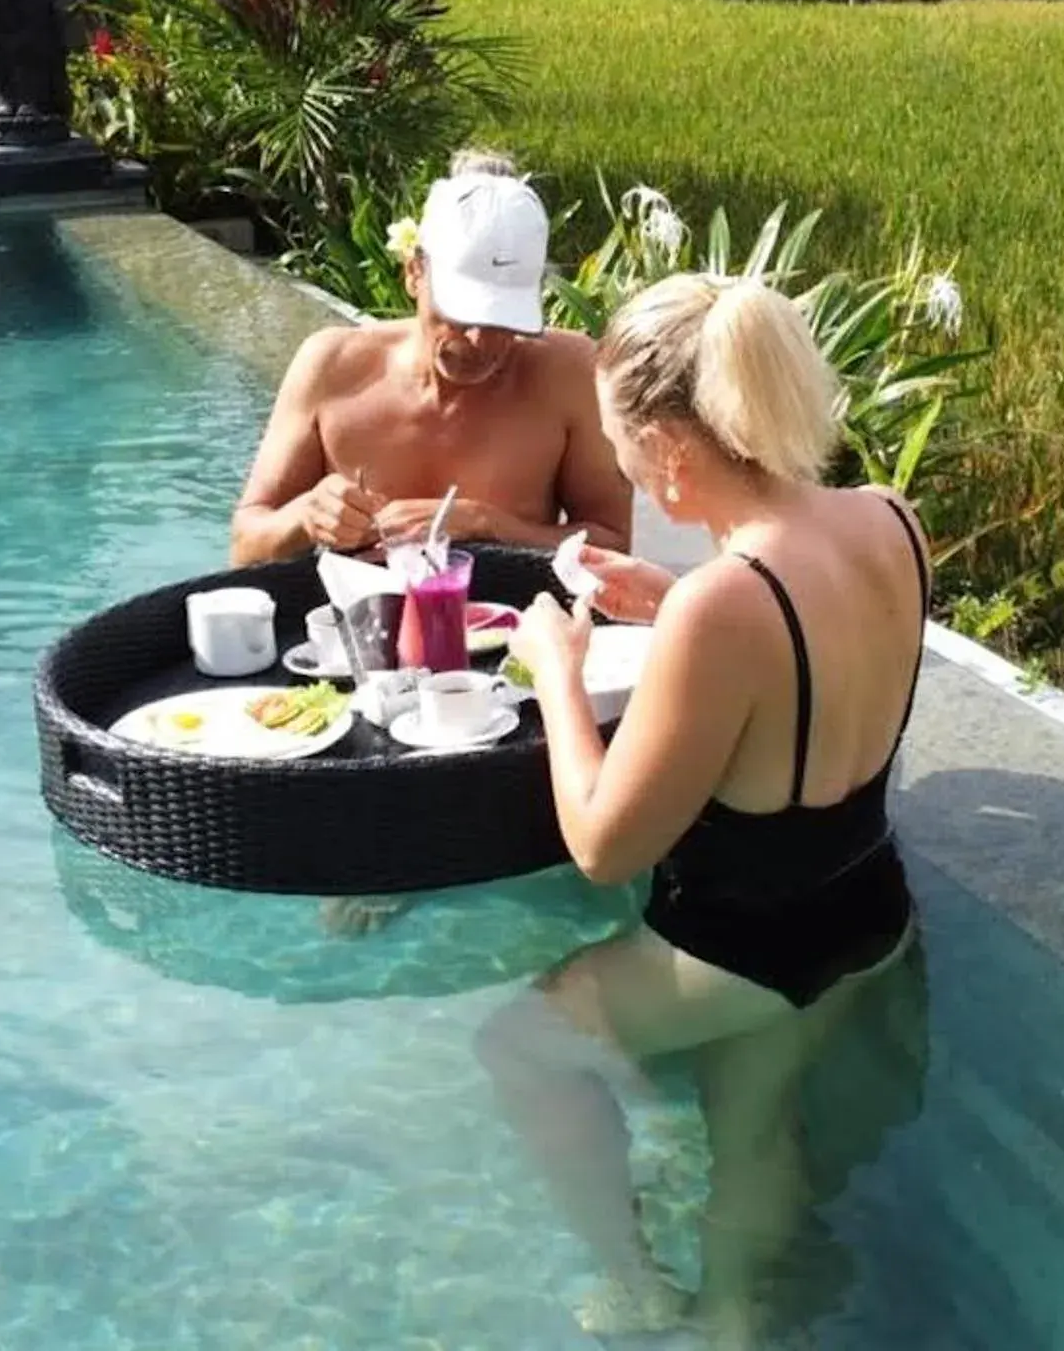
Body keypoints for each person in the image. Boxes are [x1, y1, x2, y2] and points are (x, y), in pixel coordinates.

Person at [481, 273, 931, 1344]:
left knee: (522, 1045)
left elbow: (600, 843)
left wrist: (553, 665)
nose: (628, 470)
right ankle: (731, 1320)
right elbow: (795, 650)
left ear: (673, 449)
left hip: (744, 945)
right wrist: (674, 599)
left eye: (626, 448)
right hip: (864, 909)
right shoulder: (889, 521)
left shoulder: (727, 604)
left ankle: (635, 1285)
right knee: (752, 1115)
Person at [227, 152, 632, 567]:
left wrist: (487, 525)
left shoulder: (567, 375)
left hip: (508, 620)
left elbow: (613, 548)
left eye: (503, 318)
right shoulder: (332, 367)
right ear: (414, 271)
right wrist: (307, 515)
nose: (480, 340)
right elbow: (245, 548)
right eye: (462, 312)